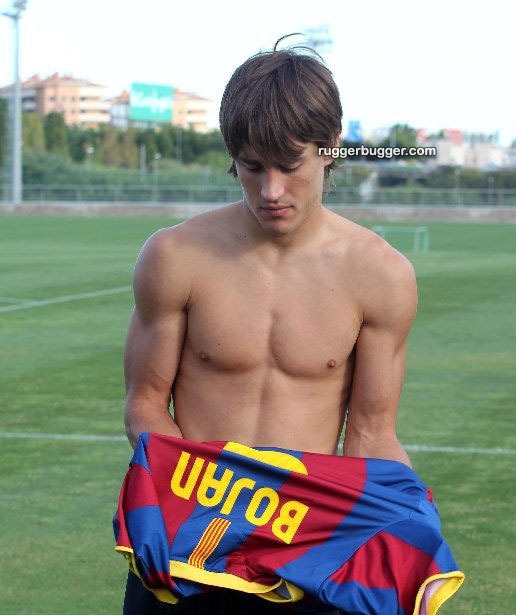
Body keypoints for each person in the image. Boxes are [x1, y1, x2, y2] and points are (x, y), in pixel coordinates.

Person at [122, 36, 417, 614]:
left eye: (290, 165)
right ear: (232, 156)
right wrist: (206, 504)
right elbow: (145, 406)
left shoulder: (381, 275)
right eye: (252, 167)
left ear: (331, 148)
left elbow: (371, 434)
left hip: (303, 551)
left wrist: (406, 514)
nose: (271, 190)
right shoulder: (174, 256)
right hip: (188, 543)